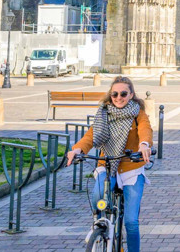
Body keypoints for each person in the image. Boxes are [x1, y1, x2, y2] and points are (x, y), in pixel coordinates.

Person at [66, 76, 153, 252]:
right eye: (114, 94)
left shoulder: (138, 114)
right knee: (98, 195)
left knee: (131, 222)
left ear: (131, 94)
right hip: (107, 166)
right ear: (110, 95)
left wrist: (144, 144)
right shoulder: (103, 114)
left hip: (131, 169)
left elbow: (146, 130)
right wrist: (77, 150)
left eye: (123, 93)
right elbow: (90, 136)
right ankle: (102, 227)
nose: (118, 97)